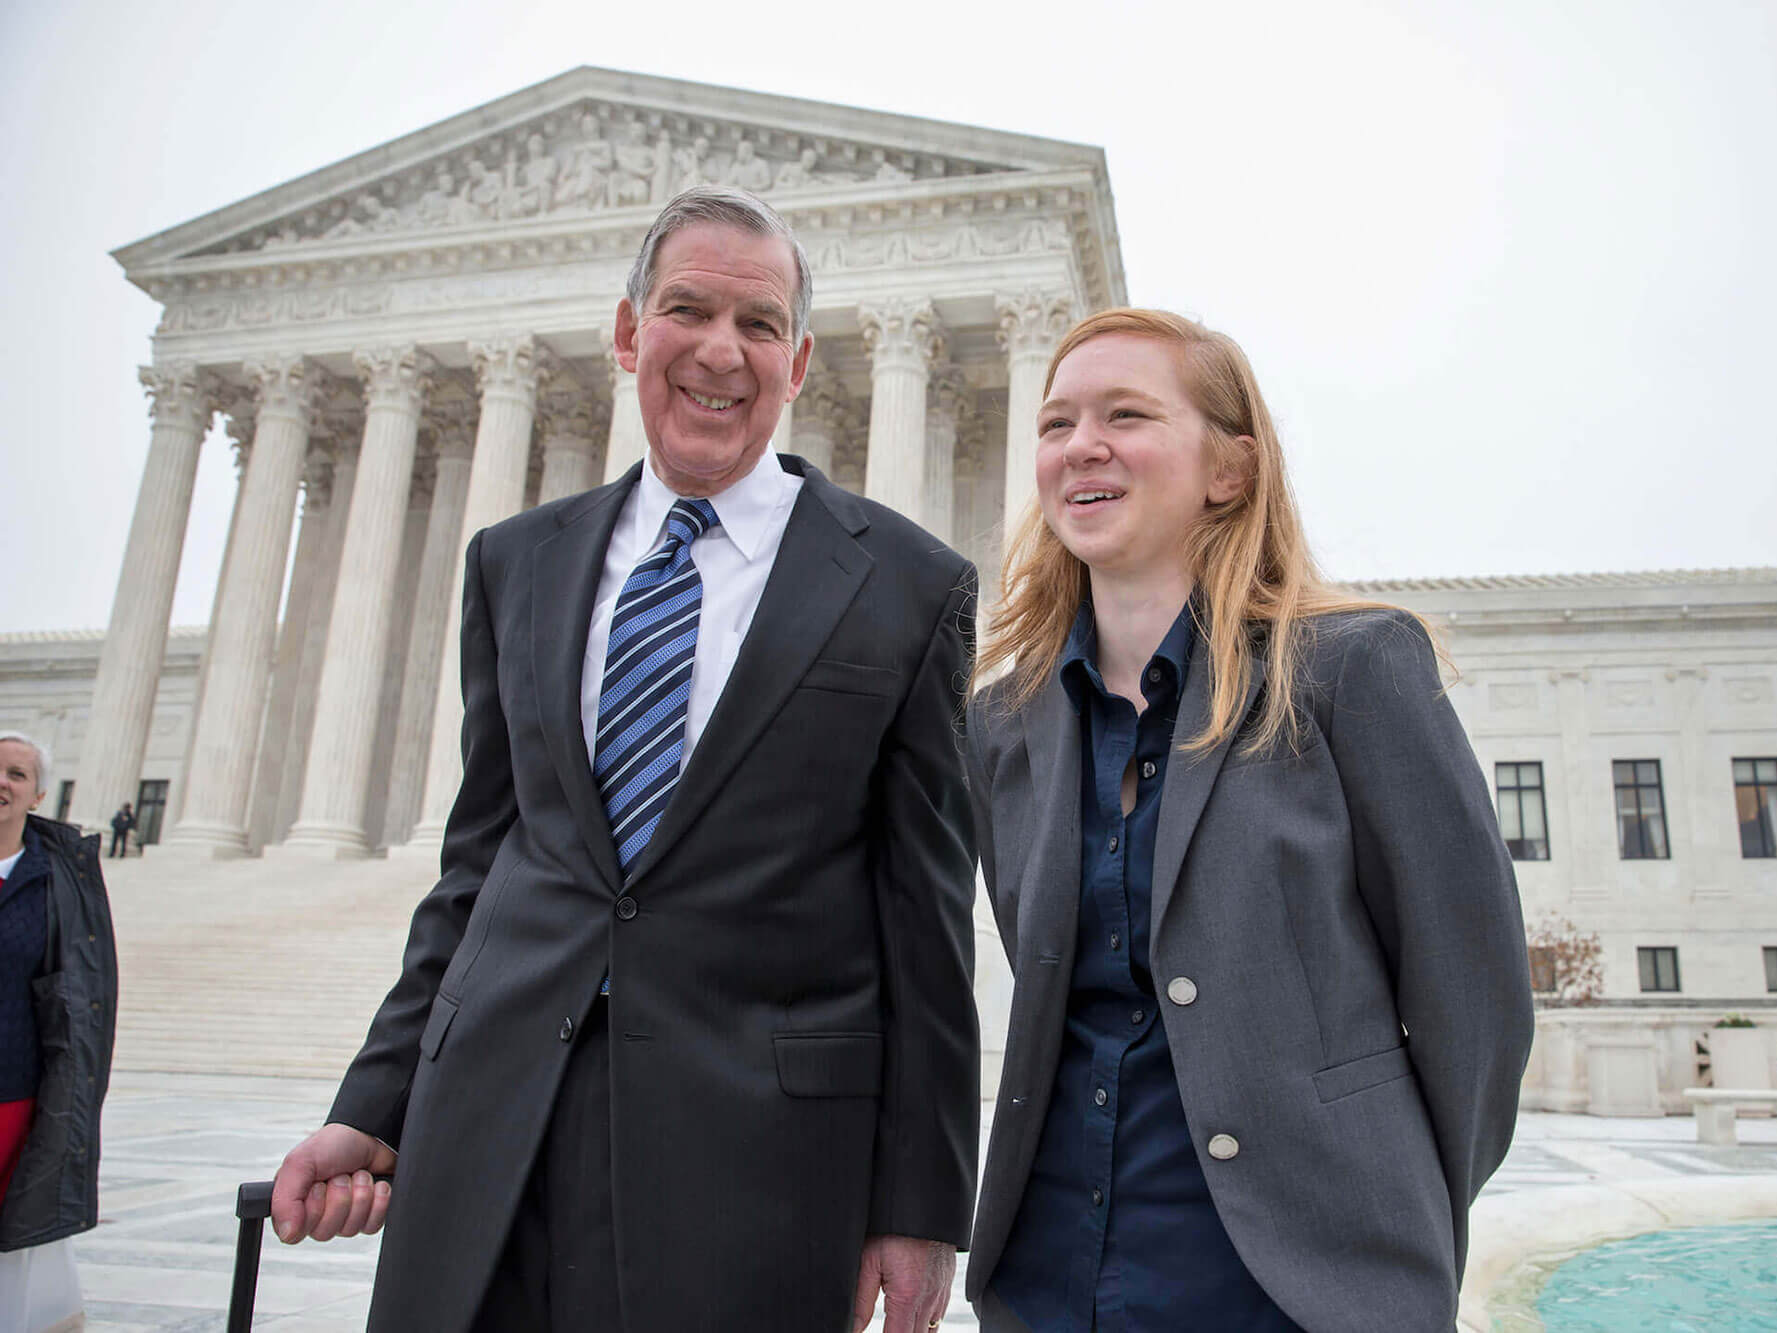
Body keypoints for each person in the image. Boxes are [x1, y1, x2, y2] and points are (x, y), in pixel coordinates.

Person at [270, 187, 981, 1333]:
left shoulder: (907, 586)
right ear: (625, 333)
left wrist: (918, 1200)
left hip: (755, 1158)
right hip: (489, 1132)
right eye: (686, 309)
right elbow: (483, 865)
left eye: (757, 325)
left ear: (798, 361)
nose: (719, 350)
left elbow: (925, 916)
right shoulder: (518, 562)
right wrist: (377, 1099)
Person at [961, 309, 1535, 1332]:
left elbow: (1473, 997)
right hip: (1052, 1281)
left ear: (1228, 469)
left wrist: (1386, 1232)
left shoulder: (1350, 669)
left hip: (1290, 1290)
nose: (1079, 444)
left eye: (1124, 414)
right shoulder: (1006, 724)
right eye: (1056, 424)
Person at [0, 732, 118, 1332]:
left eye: (16, 774)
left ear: (38, 792)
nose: (3, 783)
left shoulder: (56, 879)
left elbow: (77, 992)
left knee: (18, 1232)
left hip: (14, 1091)